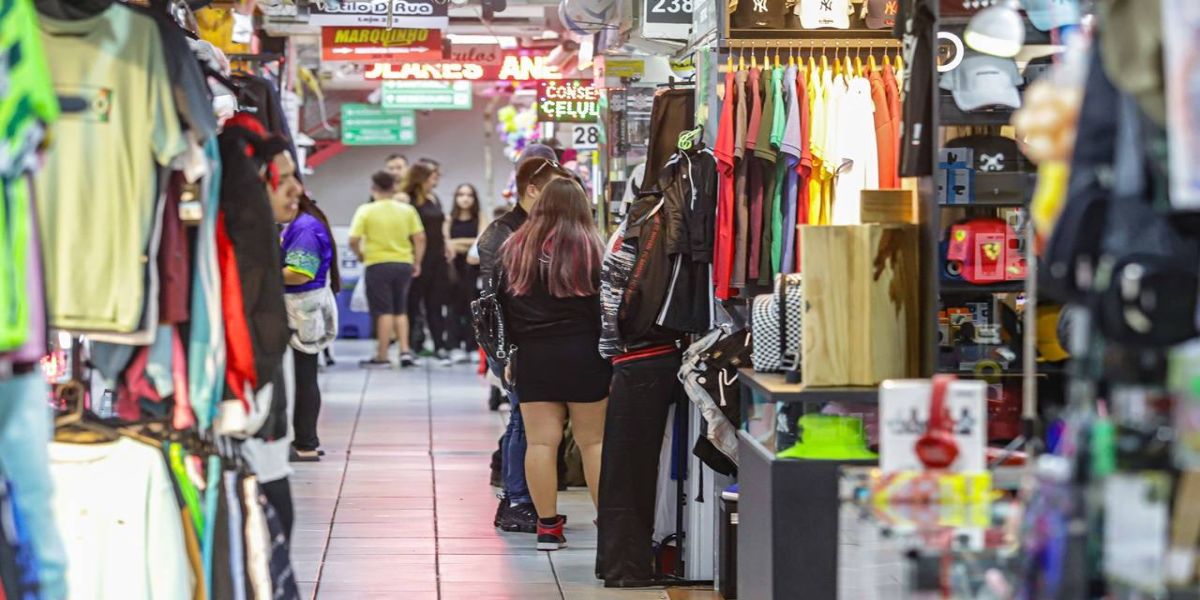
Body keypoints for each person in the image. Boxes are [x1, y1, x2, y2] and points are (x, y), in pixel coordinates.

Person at [499, 177, 611, 550]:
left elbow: (505, 307)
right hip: (585, 353)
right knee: (593, 442)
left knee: (541, 444)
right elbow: (606, 310)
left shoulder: (517, 248)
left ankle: (548, 527)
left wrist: (512, 352)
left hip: (534, 355)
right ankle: (608, 525)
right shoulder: (595, 249)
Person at [478, 148, 572, 534]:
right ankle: (518, 500)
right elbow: (504, 300)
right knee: (522, 421)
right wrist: (509, 352)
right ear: (532, 189)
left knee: (529, 423)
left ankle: (522, 497)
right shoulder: (506, 233)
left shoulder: (533, 230)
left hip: (527, 341)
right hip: (514, 342)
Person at [275, 192, 340, 462]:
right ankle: (305, 440)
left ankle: (306, 443)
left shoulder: (304, 228)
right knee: (304, 375)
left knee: (302, 376)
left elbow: (300, 272)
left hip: (301, 308)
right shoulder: (304, 224)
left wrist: (261, 276)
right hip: (304, 308)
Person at [349, 171, 426, 367]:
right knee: (401, 309)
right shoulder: (407, 210)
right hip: (403, 263)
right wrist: (417, 261)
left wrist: (360, 254)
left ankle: (382, 355)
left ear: (373, 189)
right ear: (394, 188)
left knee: (384, 311)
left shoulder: (365, 211)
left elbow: (353, 239)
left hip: (377, 263)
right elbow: (420, 238)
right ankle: (405, 352)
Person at [404, 162, 455, 366]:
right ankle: (411, 345)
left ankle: (439, 345)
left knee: (435, 303)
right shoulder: (409, 200)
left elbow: (441, 225)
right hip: (418, 256)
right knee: (413, 304)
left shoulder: (434, 198)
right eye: (433, 176)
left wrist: (447, 242)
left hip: (437, 256)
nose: (436, 180)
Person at [446, 183, 484, 363]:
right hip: (453, 268)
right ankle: (453, 346)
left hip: (473, 268)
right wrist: (463, 243)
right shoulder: (449, 219)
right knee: (453, 307)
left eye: (469, 194)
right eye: (461, 194)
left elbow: (480, 241)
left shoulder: (480, 218)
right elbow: (447, 244)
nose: (465, 198)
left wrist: (458, 243)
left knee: (473, 307)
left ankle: (472, 345)